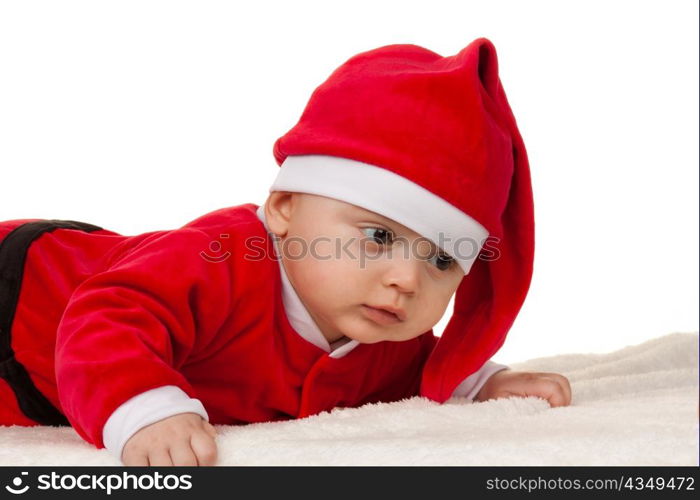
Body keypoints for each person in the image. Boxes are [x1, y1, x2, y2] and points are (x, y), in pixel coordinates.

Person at [0, 37, 571, 466]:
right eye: (377, 235)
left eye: (443, 260)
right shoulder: (222, 258)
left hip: (33, 398)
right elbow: (107, 318)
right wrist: (148, 411)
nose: (406, 279)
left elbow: (420, 366)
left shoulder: (383, 331)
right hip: (20, 289)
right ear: (283, 209)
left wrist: (480, 382)